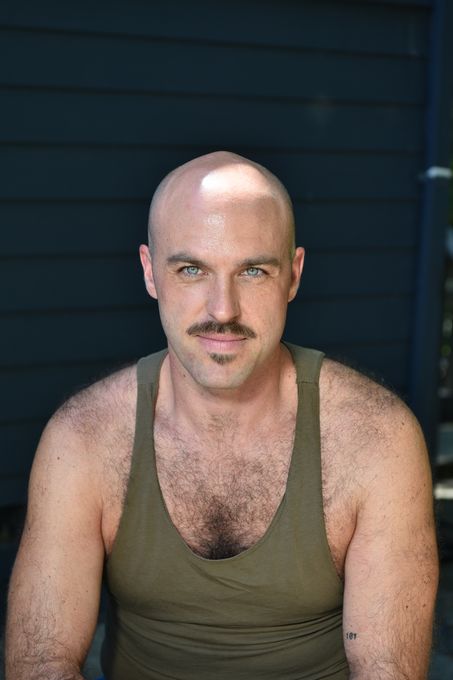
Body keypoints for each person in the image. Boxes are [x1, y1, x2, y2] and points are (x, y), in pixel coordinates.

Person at [6, 151, 438, 679]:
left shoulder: (377, 437)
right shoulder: (83, 437)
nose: (223, 309)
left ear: (293, 275)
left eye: (253, 271)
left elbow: (385, 670)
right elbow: (40, 663)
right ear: (150, 272)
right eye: (192, 270)